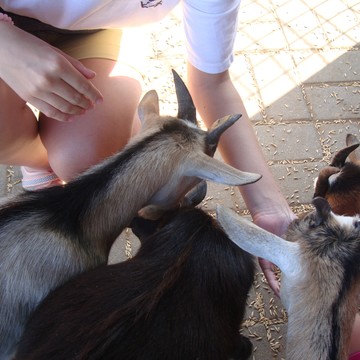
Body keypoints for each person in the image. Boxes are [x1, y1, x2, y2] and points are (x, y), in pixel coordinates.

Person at [0, 2, 358, 358]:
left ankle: (45, 158)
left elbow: (213, 81)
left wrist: (267, 206)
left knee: (80, 157)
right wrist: (6, 44)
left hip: (86, 39)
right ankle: (30, 152)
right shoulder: (80, 261)